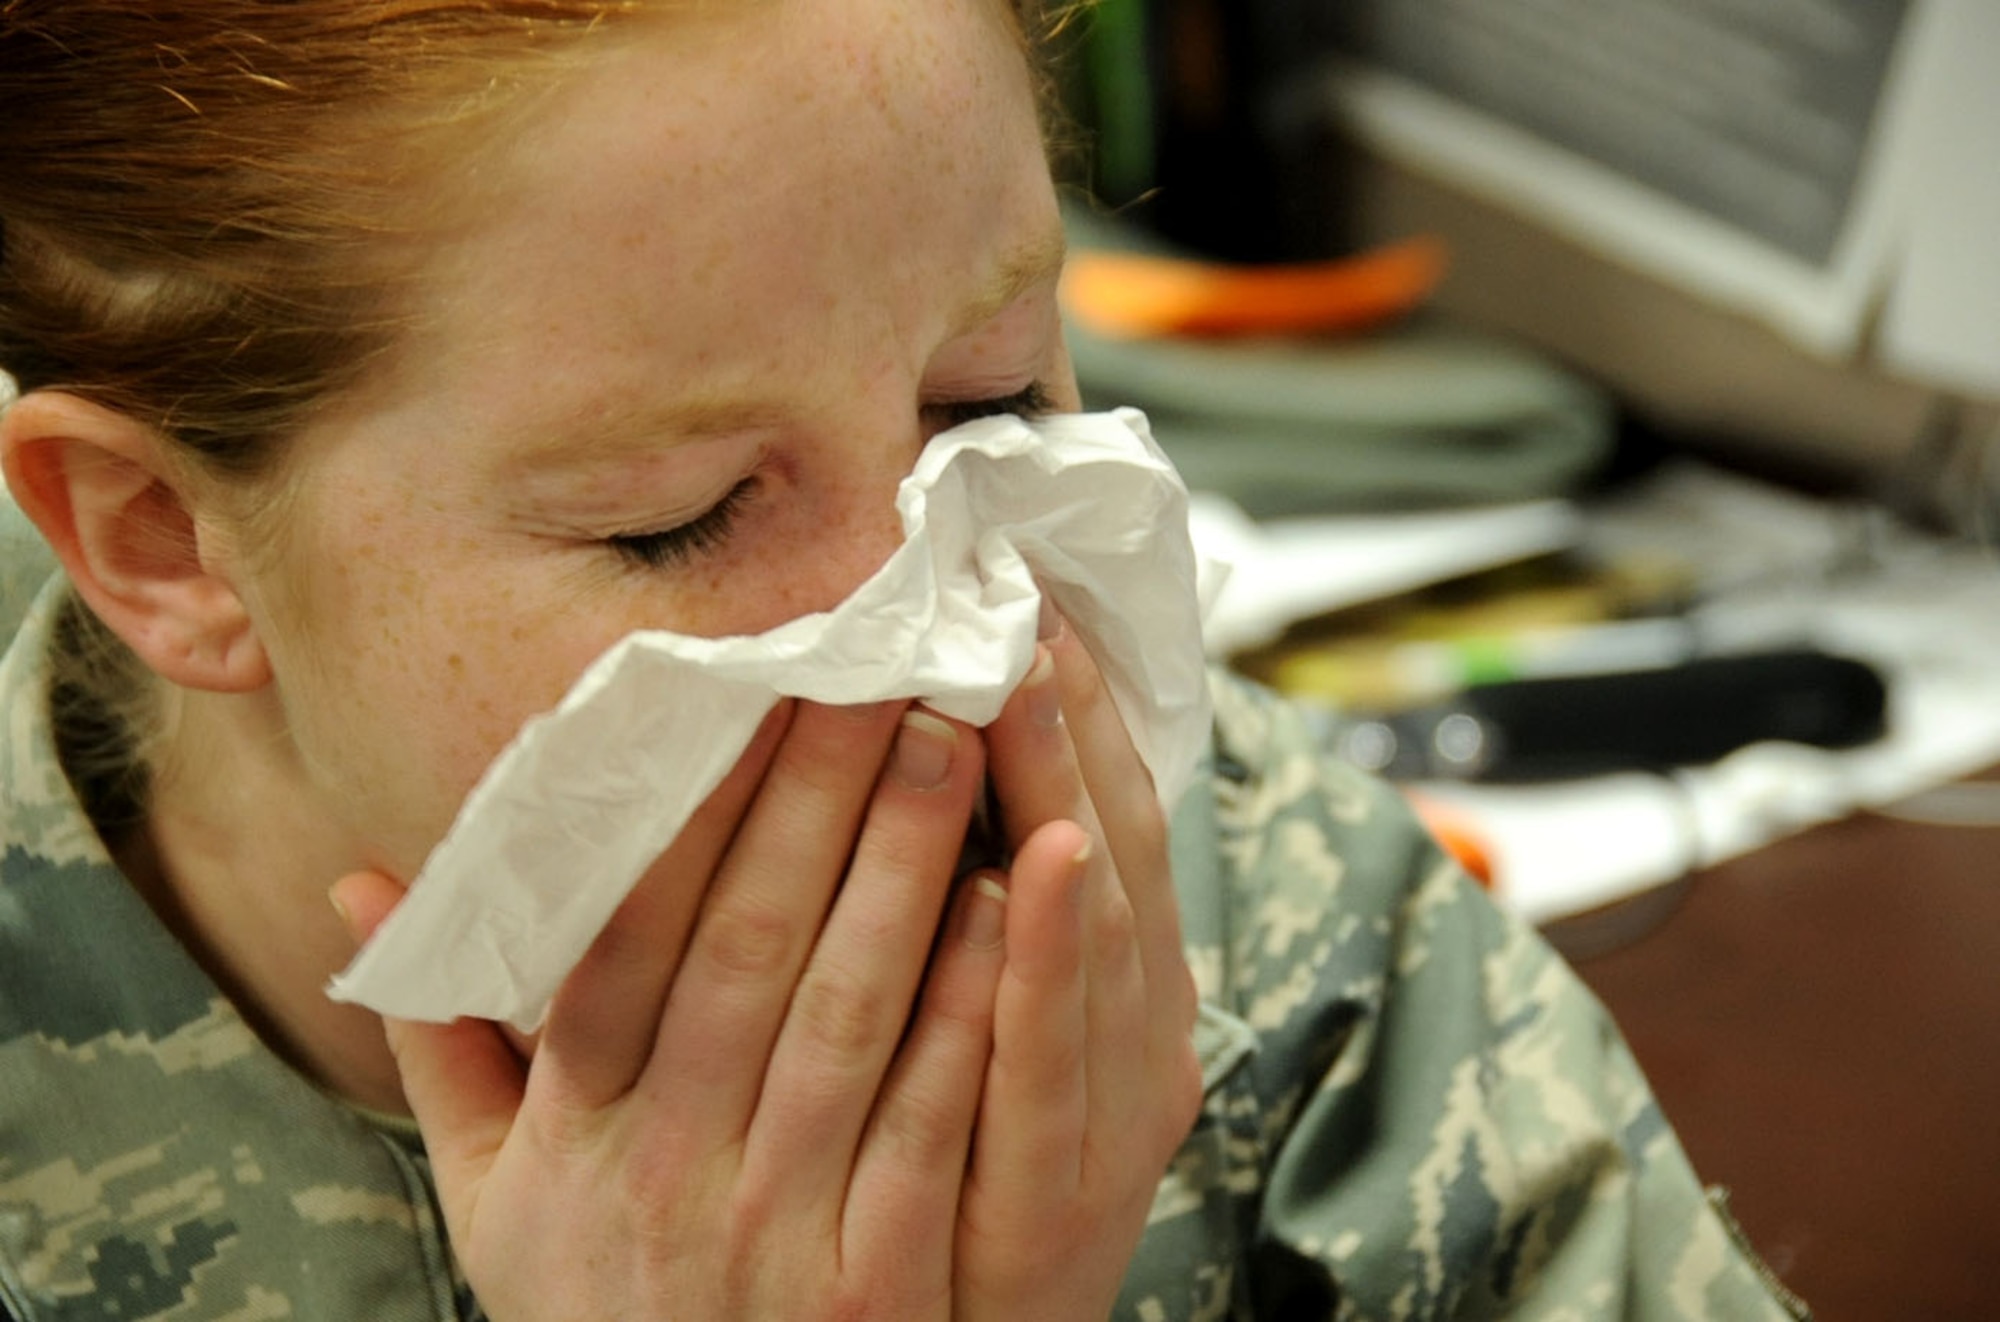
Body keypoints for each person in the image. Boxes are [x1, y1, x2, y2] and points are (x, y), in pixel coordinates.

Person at [0, 2, 1808, 1318]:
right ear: (162, 545)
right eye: (681, 516)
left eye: (992, 397)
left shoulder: (1223, 900)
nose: (951, 650)